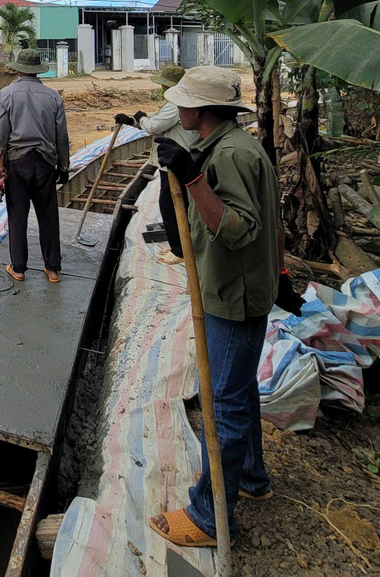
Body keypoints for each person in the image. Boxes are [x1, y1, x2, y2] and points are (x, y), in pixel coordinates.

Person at [147, 66, 279, 550]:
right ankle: (251, 476)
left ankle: (209, 516)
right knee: (239, 392)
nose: (177, 108)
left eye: (182, 101)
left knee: (221, 404)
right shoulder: (227, 146)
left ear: (199, 110)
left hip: (234, 295)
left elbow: (239, 227)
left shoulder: (229, 156)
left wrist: (192, 177)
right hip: (233, 288)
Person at [0, 47, 71, 283]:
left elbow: (1, 134)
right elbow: (62, 136)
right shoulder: (53, 97)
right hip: (46, 163)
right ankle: (53, 269)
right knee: (48, 216)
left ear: (18, 69)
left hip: (18, 162)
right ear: (38, 71)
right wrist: (64, 167)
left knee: (18, 216)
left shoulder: (5, 95)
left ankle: (18, 268)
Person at [114, 65, 197, 260]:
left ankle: (180, 250)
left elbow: (154, 125)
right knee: (170, 203)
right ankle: (179, 245)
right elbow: (155, 120)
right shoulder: (173, 103)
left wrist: (142, 119)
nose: (162, 88)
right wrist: (132, 121)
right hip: (171, 159)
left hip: (177, 159)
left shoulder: (177, 104)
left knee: (171, 203)